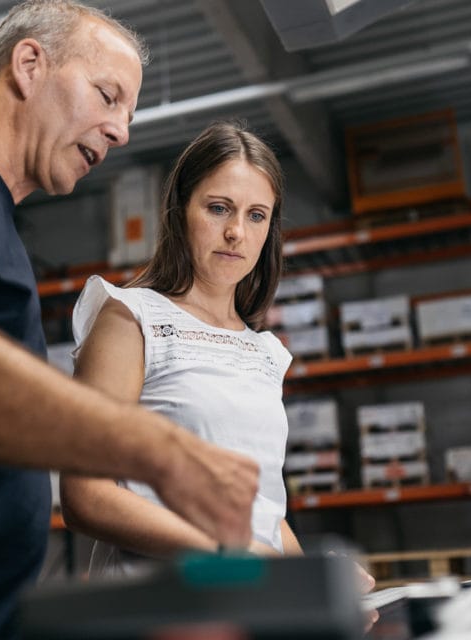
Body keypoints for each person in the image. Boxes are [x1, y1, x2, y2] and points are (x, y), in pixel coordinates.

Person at [0, 3, 259, 638]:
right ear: (29, 65)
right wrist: (157, 449)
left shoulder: (3, 239)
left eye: (129, 116)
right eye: (107, 96)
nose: (121, 133)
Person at [61, 121, 374, 591]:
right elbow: (87, 496)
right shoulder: (131, 318)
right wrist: (230, 552)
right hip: (162, 607)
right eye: (218, 208)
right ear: (179, 210)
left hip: (251, 607)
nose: (235, 233)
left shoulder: (264, 352)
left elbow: (265, 515)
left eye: (256, 216)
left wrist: (315, 584)